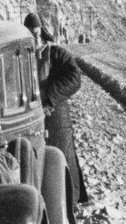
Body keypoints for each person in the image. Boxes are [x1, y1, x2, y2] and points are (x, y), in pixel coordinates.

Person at [24, 13, 88, 206]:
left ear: (41, 32)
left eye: (36, 33)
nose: (34, 37)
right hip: (31, 114)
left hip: (56, 113)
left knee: (63, 155)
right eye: (29, 34)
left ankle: (71, 203)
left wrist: (49, 97)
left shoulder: (57, 53)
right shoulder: (21, 56)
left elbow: (74, 79)